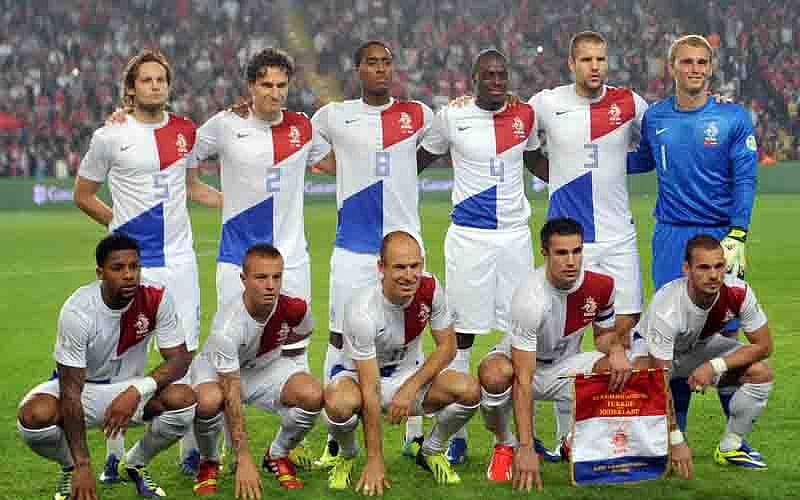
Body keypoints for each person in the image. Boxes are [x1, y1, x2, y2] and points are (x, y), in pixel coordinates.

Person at [73, 48, 221, 478]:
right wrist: (117, 229)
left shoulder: (185, 131)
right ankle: (114, 458)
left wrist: (237, 204)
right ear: (131, 88)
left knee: (184, 356)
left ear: (168, 86)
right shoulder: (109, 136)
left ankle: (189, 452)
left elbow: (193, 187)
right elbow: (83, 195)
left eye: (161, 79)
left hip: (178, 261)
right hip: (133, 266)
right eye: (147, 80)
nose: (155, 85)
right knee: (121, 360)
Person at [189, 47, 330, 469]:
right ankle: (209, 448)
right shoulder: (225, 124)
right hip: (237, 260)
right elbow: (182, 167)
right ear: (250, 86)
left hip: (292, 259)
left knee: (297, 345)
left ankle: (289, 443)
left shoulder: (304, 128)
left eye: (281, 85)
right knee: (228, 347)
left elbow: (337, 162)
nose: (274, 92)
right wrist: (216, 199)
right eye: (266, 84)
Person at [627, 34, 759, 439]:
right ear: (672, 68)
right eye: (686, 62)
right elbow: (641, 160)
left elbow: (745, 179)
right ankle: (673, 434)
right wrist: (583, 154)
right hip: (671, 236)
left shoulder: (733, 118)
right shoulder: (655, 118)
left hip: (722, 237)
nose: (695, 69)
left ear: (711, 68)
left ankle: (734, 440)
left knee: (728, 337)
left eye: (702, 62)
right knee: (672, 337)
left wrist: (737, 233)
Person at [416, 48, 542, 464]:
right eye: (487, 74)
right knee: (463, 334)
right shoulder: (451, 116)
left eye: (501, 73)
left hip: (513, 237)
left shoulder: (525, 116)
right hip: (469, 237)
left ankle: (517, 433)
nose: (495, 80)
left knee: (520, 332)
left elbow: (538, 160)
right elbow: (419, 157)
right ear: (473, 79)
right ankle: (457, 432)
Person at [311, 40, 434, 463]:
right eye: (372, 63)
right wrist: (346, 167)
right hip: (353, 249)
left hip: (405, 245)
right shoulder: (335, 115)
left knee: (412, 331)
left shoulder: (418, 113)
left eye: (386, 63)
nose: (381, 69)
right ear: (357, 69)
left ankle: (413, 434)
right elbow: (311, 150)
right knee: (339, 335)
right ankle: (335, 437)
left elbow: (435, 146)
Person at [527, 30, 648, 453]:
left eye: (601, 59)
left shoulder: (630, 103)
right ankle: (569, 436)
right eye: (586, 60)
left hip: (618, 238)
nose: (595, 66)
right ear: (571, 64)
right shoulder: (546, 104)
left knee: (625, 328)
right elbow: (520, 143)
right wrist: (557, 176)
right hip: (572, 241)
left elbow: (659, 136)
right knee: (569, 337)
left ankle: (618, 424)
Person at [17, 234, 196, 500]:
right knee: (33, 417)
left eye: (134, 267)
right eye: (118, 268)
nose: (129, 275)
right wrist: (83, 464)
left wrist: (136, 390)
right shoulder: (79, 311)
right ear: (100, 273)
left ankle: (133, 463)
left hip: (129, 389)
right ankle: (70, 468)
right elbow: (70, 391)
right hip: (81, 391)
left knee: (184, 400)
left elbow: (180, 359)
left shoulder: (157, 297)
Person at [478, 218, 634, 487]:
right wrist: (527, 448)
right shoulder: (530, 299)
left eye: (577, 251)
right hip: (522, 367)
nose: (571, 261)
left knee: (619, 368)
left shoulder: (602, 286)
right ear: (545, 253)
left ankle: (578, 441)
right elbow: (524, 380)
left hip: (565, 367)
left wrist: (617, 348)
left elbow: (603, 336)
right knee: (494, 375)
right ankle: (505, 444)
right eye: (561, 253)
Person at [323, 231, 480, 493]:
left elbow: (448, 347)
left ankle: (432, 450)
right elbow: (371, 388)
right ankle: (348, 455)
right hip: (359, 381)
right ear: (381, 268)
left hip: (408, 378)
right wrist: (375, 461)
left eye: (414, 266)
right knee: (337, 403)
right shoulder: (362, 311)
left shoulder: (430, 288)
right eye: (399, 267)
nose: (409, 275)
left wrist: (409, 388)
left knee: (469, 390)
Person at [633, 234, 773, 473]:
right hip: (651, 354)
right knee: (646, 376)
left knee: (760, 373)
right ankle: (657, 442)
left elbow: (764, 346)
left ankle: (731, 446)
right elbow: (660, 378)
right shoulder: (667, 307)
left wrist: (713, 366)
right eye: (704, 267)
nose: (714, 275)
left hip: (698, 347)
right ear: (687, 269)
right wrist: (676, 440)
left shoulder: (738, 292)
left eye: (719, 266)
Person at [190, 244, 323, 496]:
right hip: (218, 372)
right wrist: (243, 459)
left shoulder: (295, 307)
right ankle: (209, 460)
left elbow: (304, 331)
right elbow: (232, 392)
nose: (270, 285)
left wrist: (288, 367)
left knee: (312, 393)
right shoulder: (228, 327)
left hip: (263, 367)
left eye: (276, 277)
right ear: (244, 279)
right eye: (261, 277)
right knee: (208, 402)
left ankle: (277, 454)